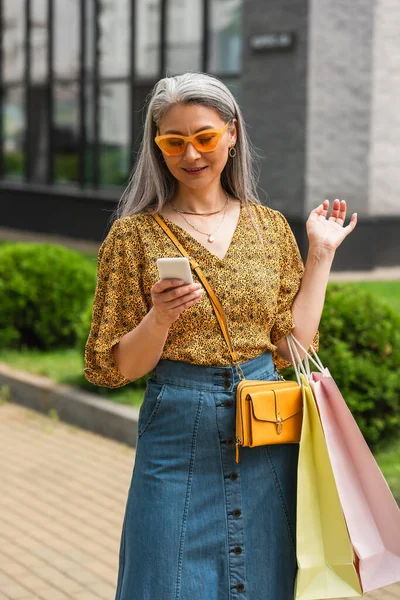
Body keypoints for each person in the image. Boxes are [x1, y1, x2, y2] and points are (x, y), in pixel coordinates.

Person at [84, 72, 357, 600]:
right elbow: (116, 366)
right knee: (163, 578)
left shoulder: (269, 228)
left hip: (265, 427)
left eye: (205, 137)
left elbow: (291, 347)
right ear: (157, 146)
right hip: (175, 427)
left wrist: (320, 255)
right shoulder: (133, 235)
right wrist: (158, 318)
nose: (192, 154)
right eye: (174, 141)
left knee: (267, 576)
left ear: (232, 134)